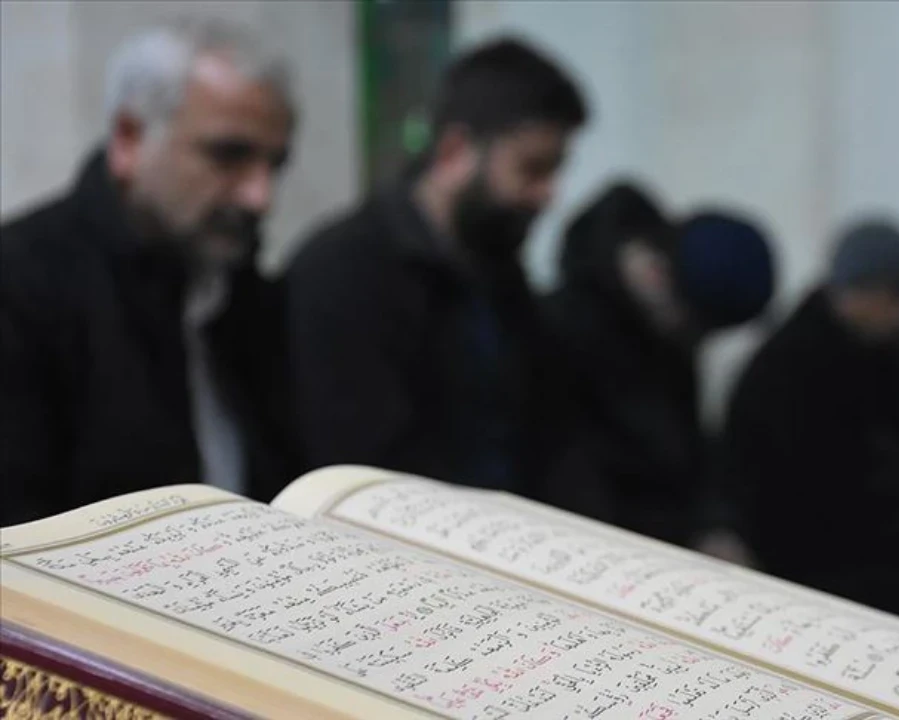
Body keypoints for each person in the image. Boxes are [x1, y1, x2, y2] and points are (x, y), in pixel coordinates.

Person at [0, 19, 299, 526]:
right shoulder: (21, 285)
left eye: (275, 165)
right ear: (130, 138)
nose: (259, 197)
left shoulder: (245, 292)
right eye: (228, 155)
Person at [287, 39, 588, 499]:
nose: (547, 194)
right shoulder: (344, 272)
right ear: (454, 152)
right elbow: (364, 472)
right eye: (532, 168)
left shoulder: (499, 274)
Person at [723, 220, 899, 618]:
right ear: (867, 292)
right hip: (806, 546)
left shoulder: (869, 348)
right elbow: (817, 489)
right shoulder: (791, 365)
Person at [545, 187, 776, 547]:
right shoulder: (563, 331)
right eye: (692, 327)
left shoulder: (662, 336)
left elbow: (690, 460)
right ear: (656, 275)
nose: (696, 343)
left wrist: (714, 525)